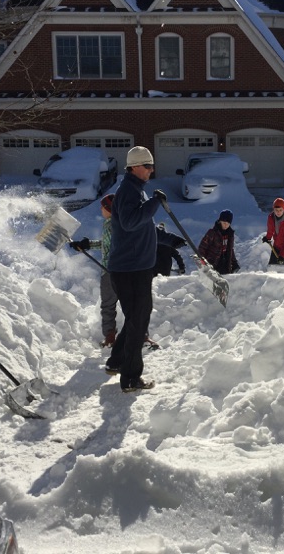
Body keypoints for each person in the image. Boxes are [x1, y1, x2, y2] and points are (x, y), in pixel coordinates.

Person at [104, 146, 165, 393]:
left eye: (152, 166)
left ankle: (116, 361)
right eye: (148, 166)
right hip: (131, 269)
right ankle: (130, 378)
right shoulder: (129, 191)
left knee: (136, 317)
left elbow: (137, 223)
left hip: (134, 266)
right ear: (135, 167)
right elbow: (130, 222)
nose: (151, 170)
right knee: (139, 320)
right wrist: (154, 204)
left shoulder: (134, 190)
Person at [69, 194, 117, 347]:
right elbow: (107, 244)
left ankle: (110, 337)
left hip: (110, 272)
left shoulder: (112, 225)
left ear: (109, 209)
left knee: (108, 305)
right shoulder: (118, 223)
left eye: (103, 207)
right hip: (124, 271)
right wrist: (88, 244)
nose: (101, 209)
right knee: (131, 305)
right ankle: (138, 335)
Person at [198, 209, 240, 275]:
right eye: (224, 223)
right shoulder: (212, 233)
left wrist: (234, 262)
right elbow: (202, 247)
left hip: (225, 263)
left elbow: (230, 249)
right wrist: (202, 261)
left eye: (228, 223)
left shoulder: (230, 234)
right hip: (213, 263)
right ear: (220, 221)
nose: (225, 225)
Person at [263, 197, 284, 266]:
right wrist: (268, 237)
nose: (278, 212)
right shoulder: (271, 217)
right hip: (278, 245)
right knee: (272, 266)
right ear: (273, 209)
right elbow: (271, 229)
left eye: (280, 210)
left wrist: (282, 255)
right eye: (276, 210)